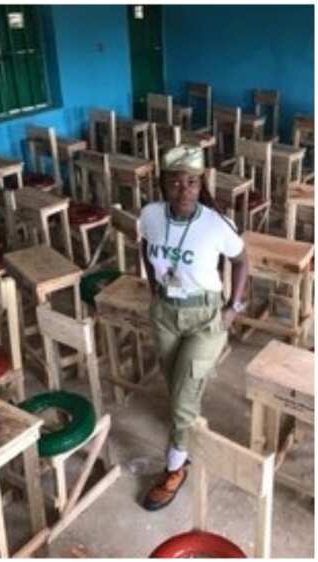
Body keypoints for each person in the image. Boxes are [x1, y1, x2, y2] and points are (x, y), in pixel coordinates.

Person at [138, 147, 248, 511]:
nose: (183, 189)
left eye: (191, 181)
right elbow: (144, 244)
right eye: (175, 181)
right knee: (175, 384)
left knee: (183, 395)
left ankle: (175, 466)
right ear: (164, 183)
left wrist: (234, 307)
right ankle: (186, 425)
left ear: (201, 184)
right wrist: (154, 288)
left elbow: (241, 260)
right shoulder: (151, 215)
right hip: (165, 312)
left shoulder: (217, 224)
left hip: (205, 317)